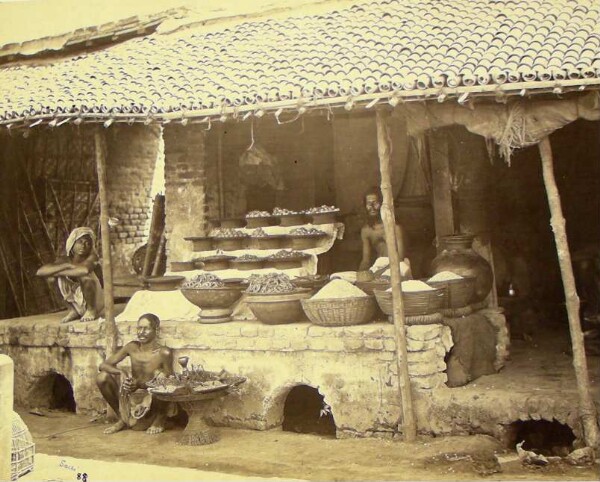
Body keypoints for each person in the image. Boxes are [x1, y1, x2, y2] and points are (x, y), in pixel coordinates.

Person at [96, 313, 174, 435]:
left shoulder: (164, 352)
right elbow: (103, 365)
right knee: (102, 377)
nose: (141, 332)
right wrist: (121, 372)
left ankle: (159, 420)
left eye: (146, 328)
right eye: (139, 328)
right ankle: (122, 418)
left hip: (151, 398)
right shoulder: (132, 347)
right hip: (132, 395)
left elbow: (171, 382)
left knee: (163, 379)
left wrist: (140, 384)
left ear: (156, 330)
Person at [36, 227, 104, 323]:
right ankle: (73, 310)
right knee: (51, 279)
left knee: (85, 278)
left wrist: (58, 272)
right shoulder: (66, 260)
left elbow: (84, 270)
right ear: (72, 243)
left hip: (96, 298)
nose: (84, 246)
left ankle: (91, 310)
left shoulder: (92, 257)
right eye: (80, 242)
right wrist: (67, 265)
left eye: (88, 243)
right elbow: (40, 272)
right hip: (77, 298)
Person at [358, 188, 410, 276]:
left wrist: (380, 272)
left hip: (397, 266)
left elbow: (400, 257)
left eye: (375, 203)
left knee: (402, 267)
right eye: (369, 204)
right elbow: (366, 261)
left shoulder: (395, 227)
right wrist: (359, 275)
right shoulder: (366, 231)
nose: (372, 207)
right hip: (378, 267)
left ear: (382, 204)